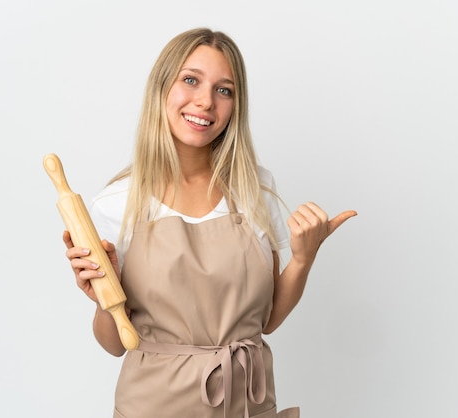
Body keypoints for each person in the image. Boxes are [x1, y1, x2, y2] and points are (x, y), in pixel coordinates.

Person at [62, 27, 356, 418]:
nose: (205, 102)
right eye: (190, 80)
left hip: (247, 403)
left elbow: (266, 322)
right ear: (161, 88)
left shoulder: (256, 188)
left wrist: (302, 259)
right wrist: (103, 303)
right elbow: (116, 344)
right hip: (153, 406)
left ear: (236, 105)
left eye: (224, 90)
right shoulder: (118, 203)